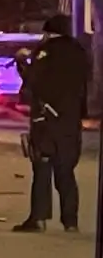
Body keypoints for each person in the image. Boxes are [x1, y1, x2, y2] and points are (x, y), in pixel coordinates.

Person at [13, 14, 91, 233]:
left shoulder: (45, 51)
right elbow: (86, 84)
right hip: (71, 119)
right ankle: (71, 221)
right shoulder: (79, 51)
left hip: (46, 119)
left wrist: (22, 63)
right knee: (66, 170)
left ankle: (38, 219)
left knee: (42, 167)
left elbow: (35, 82)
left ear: (48, 31)